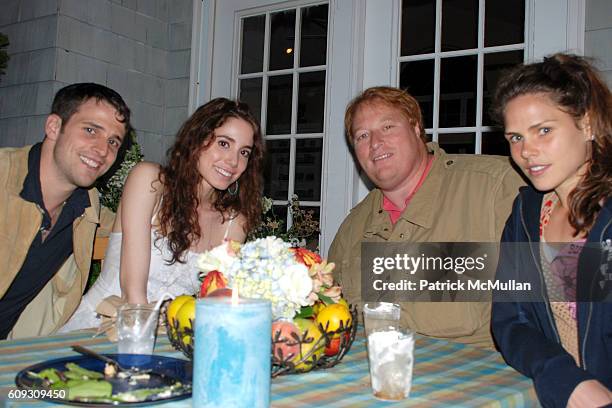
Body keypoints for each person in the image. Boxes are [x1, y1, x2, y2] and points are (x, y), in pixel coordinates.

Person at [328, 86, 524, 348]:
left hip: (475, 379)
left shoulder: (494, 189)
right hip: (373, 375)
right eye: (362, 136)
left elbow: (556, 298)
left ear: (416, 128)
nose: (375, 143)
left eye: (387, 127)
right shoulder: (352, 228)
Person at [61, 98, 264, 331]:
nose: (233, 161)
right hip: (102, 328)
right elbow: (133, 294)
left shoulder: (233, 222)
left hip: (173, 337)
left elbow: (218, 302)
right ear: (197, 139)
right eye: (224, 144)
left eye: (245, 152)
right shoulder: (150, 181)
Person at [491, 54, 612, 407]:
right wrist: (563, 377)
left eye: (544, 130)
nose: (527, 151)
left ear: (587, 124)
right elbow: (510, 321)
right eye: (515, 137)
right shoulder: (528, 213)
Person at [0, 83, 131, 339]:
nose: (103, 150)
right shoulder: (5, 178)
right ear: (54, 127)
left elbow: (141, 227)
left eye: (113, 141)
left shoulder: (85, 208)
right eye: (91, 130)